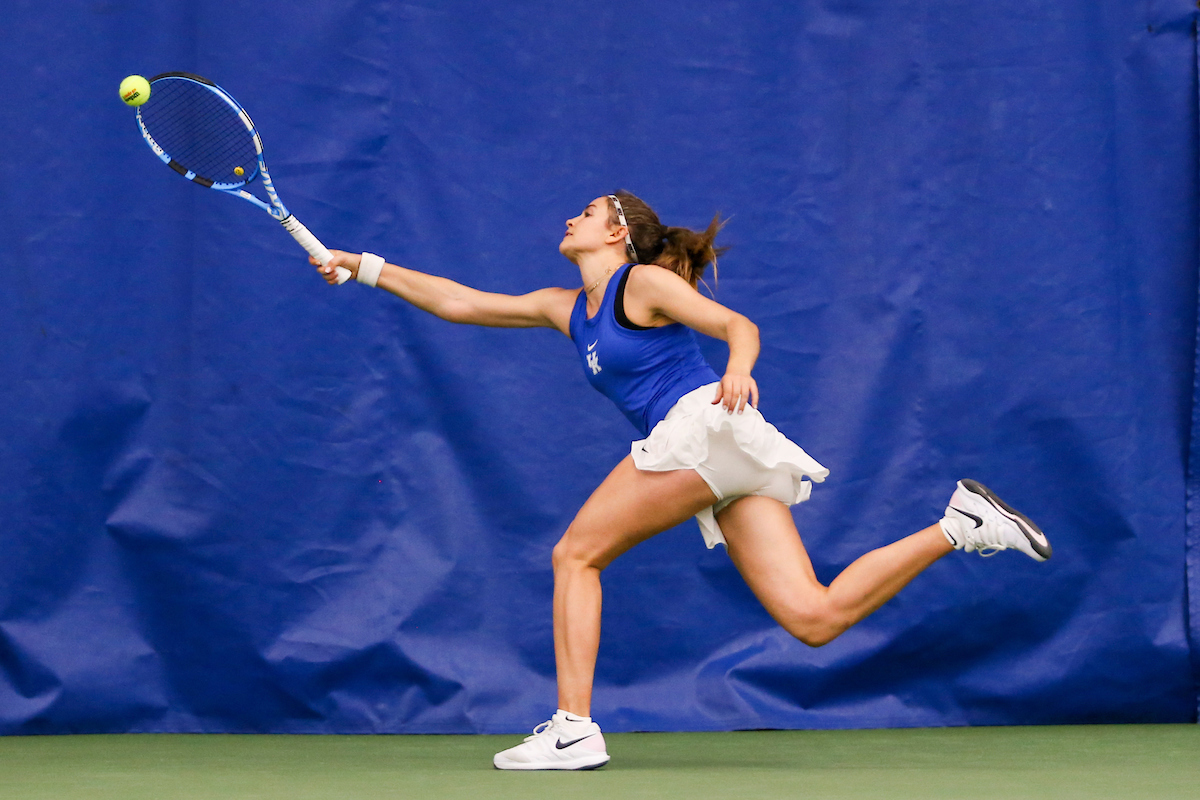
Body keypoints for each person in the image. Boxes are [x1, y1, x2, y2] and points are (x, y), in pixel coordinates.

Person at [312, 191, 1052, 771]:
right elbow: (459, 301)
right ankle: (961, 524)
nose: (571, 218)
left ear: (618, 235)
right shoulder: (566, 308)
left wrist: (737, 370)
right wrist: (363, 265)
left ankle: (573, 728)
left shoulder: (644, 285)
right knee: (814, 619)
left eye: (589, 212)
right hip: (723, 456)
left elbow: (739, 327)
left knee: (575, 555)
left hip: (705, 427)